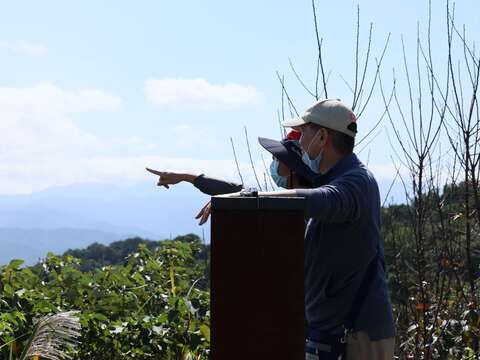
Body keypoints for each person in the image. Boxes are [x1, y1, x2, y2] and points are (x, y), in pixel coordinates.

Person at [197, 99, 395, 360]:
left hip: (358, 337)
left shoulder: (357, 182)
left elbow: (314, 200)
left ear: (322, 136)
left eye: (304, 133)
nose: (300, 142)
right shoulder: (338, 180)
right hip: (333, 335)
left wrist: (248, 198)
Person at [146, 130, 316, 195]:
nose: (273, 163)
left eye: (276, 158)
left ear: (291, 167)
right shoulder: (305, 199)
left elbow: (243, 194)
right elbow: (238, 191)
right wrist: (185, 177)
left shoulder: (309, 206)